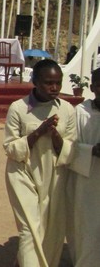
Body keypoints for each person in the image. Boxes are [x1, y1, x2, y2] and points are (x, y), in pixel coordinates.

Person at [3, 59, 76, 267]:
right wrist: (38, 132)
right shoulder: (18, 108)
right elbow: (10, 147)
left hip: (54, 175)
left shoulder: (67, 110)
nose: (54, 88)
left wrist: (55, 136)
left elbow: (70, 150)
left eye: (58, 83)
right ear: (34, 80)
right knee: (29, 229)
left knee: (52, 229)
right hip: (22, 172)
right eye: (48, 82)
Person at [66, 68, 100, 267]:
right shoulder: (82, 113)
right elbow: (69, 144)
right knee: (87, 227)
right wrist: (91, 150)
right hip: (87, 180)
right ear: (94, 87)